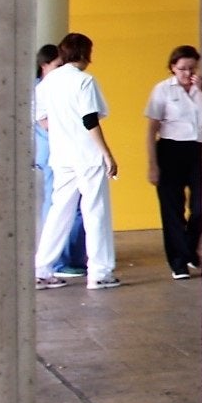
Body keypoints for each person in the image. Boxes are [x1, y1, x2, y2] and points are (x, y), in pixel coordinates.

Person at [33, 33, 120, 290]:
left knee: (60, 211)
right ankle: (100, 272)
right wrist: (106, 153)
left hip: (61, 157)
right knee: (96, 212)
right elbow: (89, 120)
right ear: (85, 53)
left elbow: (42, 119)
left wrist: (61, 132)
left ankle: (42, 268)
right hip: (88, 156)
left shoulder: (47, 83)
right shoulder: (84, 81)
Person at [145, 44, 202, 280]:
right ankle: (178, 261)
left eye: (191, 68)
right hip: (170, 149)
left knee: (201, 205)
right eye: (182, 69)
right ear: (172, 68)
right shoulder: (162, 90)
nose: (187, 73)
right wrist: (152, 164)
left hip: (200, 149)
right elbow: (151, 129)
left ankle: (189, 248)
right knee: (172, 208)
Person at [33, 44, 88, 279]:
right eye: (56, 65)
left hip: (65, 151)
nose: (60, 70)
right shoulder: (41, 89)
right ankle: (59, 262)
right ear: (44, 66)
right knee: (59, 206)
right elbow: (44, 122)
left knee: (75, 207)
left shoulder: (52, 87)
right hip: (55, 153)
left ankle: (72, 258)